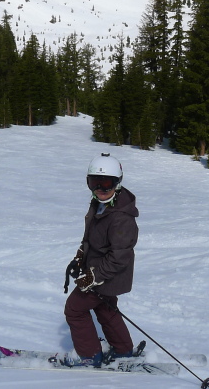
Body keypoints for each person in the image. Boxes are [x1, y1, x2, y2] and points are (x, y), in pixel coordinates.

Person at [64, 152, 139, 367]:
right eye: (94, 182)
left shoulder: (122, 218)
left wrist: (92, 277)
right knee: (106, 310)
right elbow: (90, 238)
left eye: (106, 183)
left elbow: (119, 257)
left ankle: (89, 355)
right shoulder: (99, 204)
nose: (101, 189)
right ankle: (123, 350)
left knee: (74, 309)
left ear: (117, 182)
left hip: (108, 275)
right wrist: (79, 257)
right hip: (101, 273)